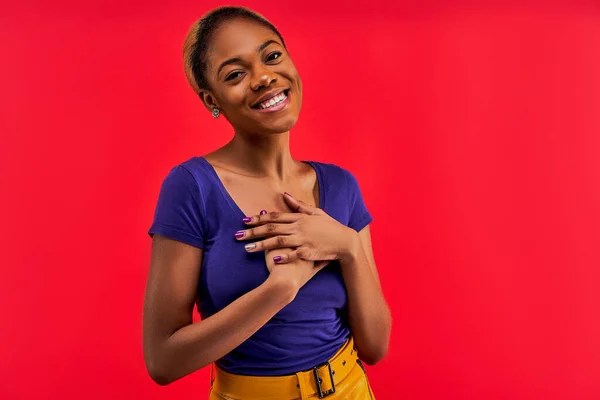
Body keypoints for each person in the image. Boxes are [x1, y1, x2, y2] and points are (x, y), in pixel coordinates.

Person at [142, 6, 392, 399]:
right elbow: (162, 361)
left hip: (351, 389)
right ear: (213, 99)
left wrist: (347, 247)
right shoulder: (192, 187)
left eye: (272, 55)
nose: (263, 77)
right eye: (236, 74)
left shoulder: (341, 186)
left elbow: (375, 347)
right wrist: (279, 289)